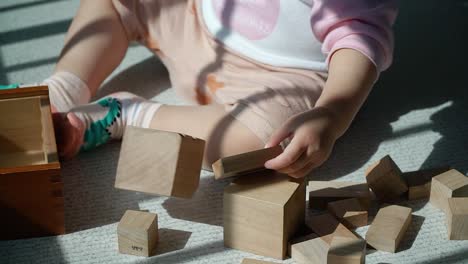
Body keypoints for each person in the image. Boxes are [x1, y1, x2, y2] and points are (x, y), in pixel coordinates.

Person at [45, 0, 397, 178]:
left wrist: (332, 112)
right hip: (199, 20)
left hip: (283, 75)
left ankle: (125, 115)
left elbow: (357, 35)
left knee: (264, 145)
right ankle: (62, 89)